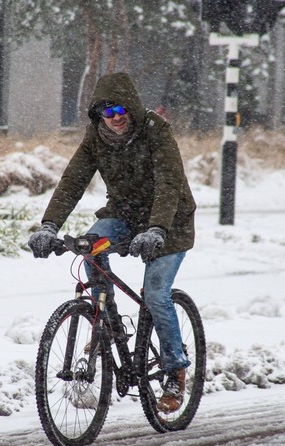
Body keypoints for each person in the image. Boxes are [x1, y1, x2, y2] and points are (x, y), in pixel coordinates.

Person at [27, 72, 196, 414]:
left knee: (156, 294)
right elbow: (73, 180)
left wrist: (157, 228)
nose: (115, 117)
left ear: (131, 108)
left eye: (120, 109)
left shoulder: (156, 131)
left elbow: (169, 184)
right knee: (90, 248)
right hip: (123, 215)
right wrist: (49, 225)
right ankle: (106, 321)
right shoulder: (96, 138)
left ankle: (174, 370)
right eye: (107, 111)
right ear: (98, 116)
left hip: (170, 222)